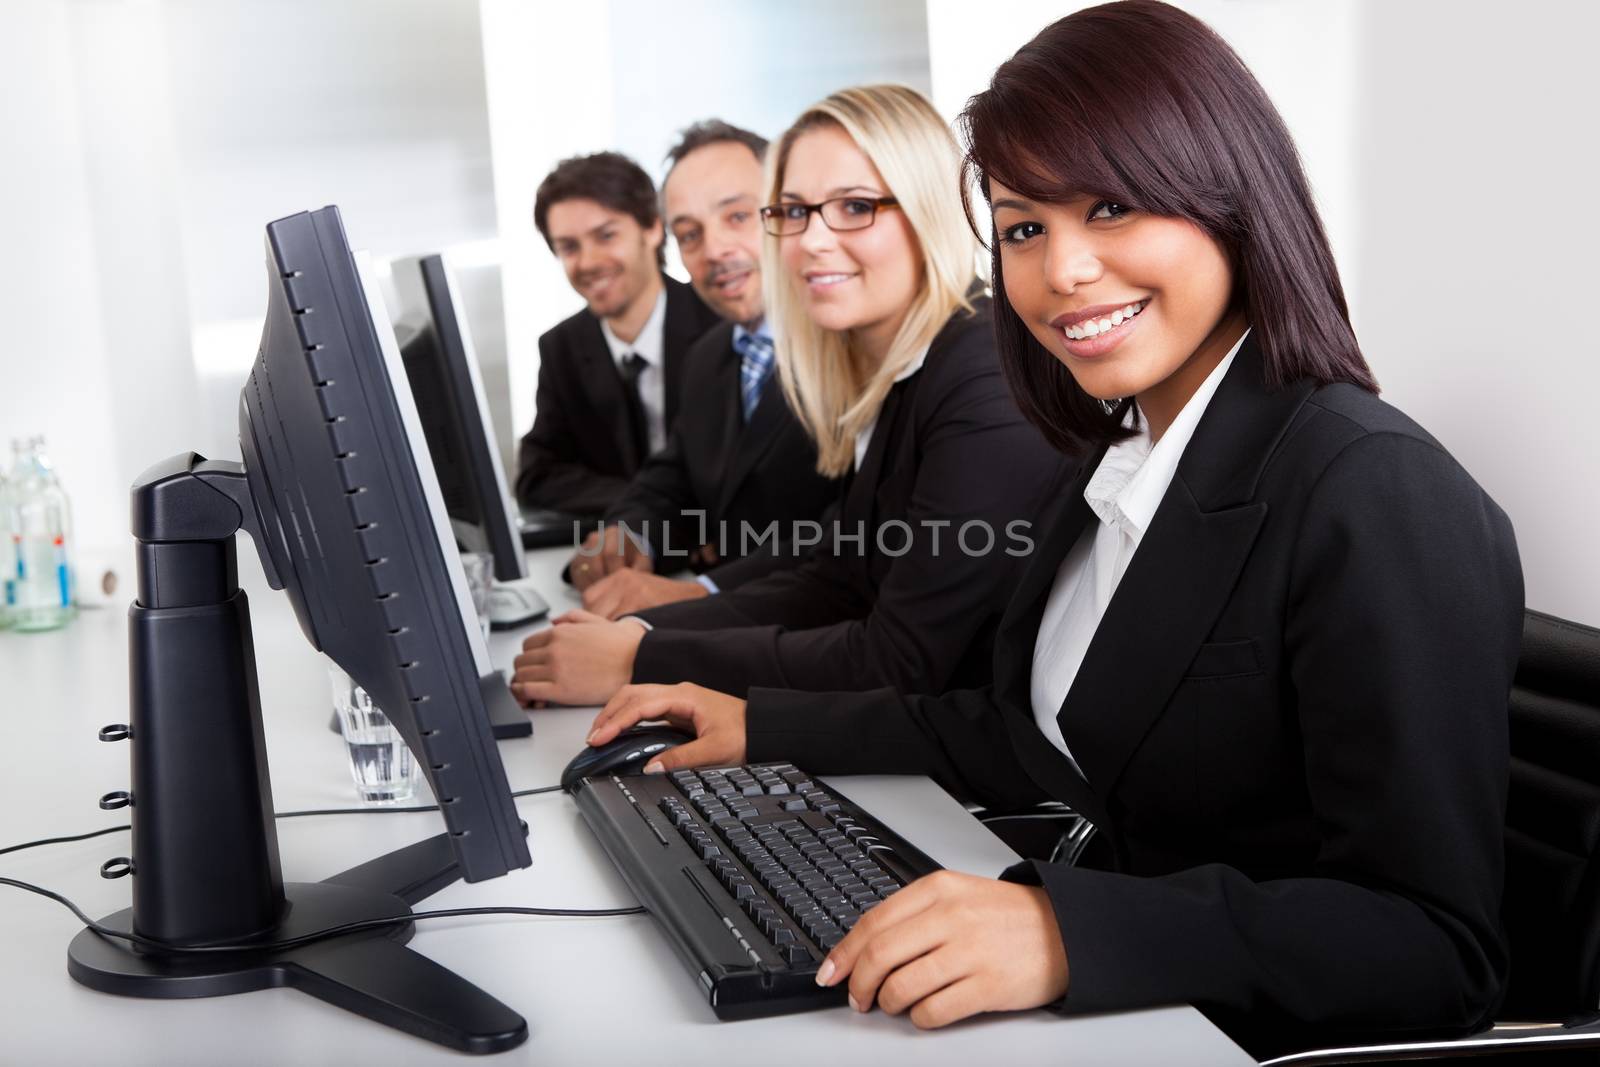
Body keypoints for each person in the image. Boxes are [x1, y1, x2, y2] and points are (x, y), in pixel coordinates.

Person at [576, 3, 1524, 1057]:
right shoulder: (1118, 456)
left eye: (1112, 206)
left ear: (1230, 200)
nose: (1061, 270)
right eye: (1025, 226)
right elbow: (1018, 727)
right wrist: (767, 726)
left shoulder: (1369, 490)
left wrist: (1066, 930)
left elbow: (1436, 947)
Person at [513, 85, 1070, 708]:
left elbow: (901, 659)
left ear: (928, 208)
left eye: (855, 206)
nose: (811, 240)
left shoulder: (984, 376)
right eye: (794, 212)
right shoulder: (893, 368)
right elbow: (837, 580)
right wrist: (636, 633)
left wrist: (641, 659)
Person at [570, 121, 839, 616]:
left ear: (790, 210)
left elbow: (851, 534)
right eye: (689, 235)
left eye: (737, 216)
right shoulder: (709, 354)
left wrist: (698, 593)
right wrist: (629, 531)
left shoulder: (852, 344)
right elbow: (673, 476)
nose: (713, 251)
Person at [514, 151, 720, 516]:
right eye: (569, 247)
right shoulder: (562, 347)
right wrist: (652, 507)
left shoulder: (719, 323)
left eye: (606, 235)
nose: (589, 262)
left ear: (653, 228)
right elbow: (536, 476)